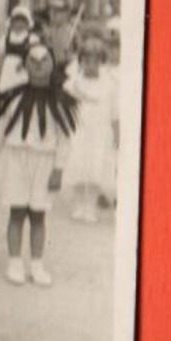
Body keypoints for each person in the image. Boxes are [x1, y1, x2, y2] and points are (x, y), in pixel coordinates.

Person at [0, 40, 78, 287]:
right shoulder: (15, 97)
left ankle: (37, 264)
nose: (38, 66)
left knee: (38, 214)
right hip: (18, 159)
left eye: (44, 61)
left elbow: (65, 137)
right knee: (17, 212)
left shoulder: (60, 101)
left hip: (44, 161)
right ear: (24, 66)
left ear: (53, 64)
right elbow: (2, 128)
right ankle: (14, 262)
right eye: (32, 62)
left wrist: (58, 169)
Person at [63, 36, 120, 223]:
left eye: (95, 60)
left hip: (100, 133)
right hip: (79, 132)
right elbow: (64, 109)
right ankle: (79, 204)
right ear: (81, 61)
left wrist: (116, 133)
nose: (91, 64)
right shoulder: (73, 84)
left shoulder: (110, 84)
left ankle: (91, 206)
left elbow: (115, 112)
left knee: (96, 168)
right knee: (79, 166)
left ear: (101, 61)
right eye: (86, 60)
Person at [0, 4, 37, 91]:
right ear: (11, 23)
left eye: (22, 21)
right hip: (7, 71)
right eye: (16, 21)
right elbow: (0, 58)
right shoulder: (5, 39)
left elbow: (35, 57)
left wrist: (25, 63)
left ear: (27, 23)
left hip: (23, 71)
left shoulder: (32, 39)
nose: (19, 24)